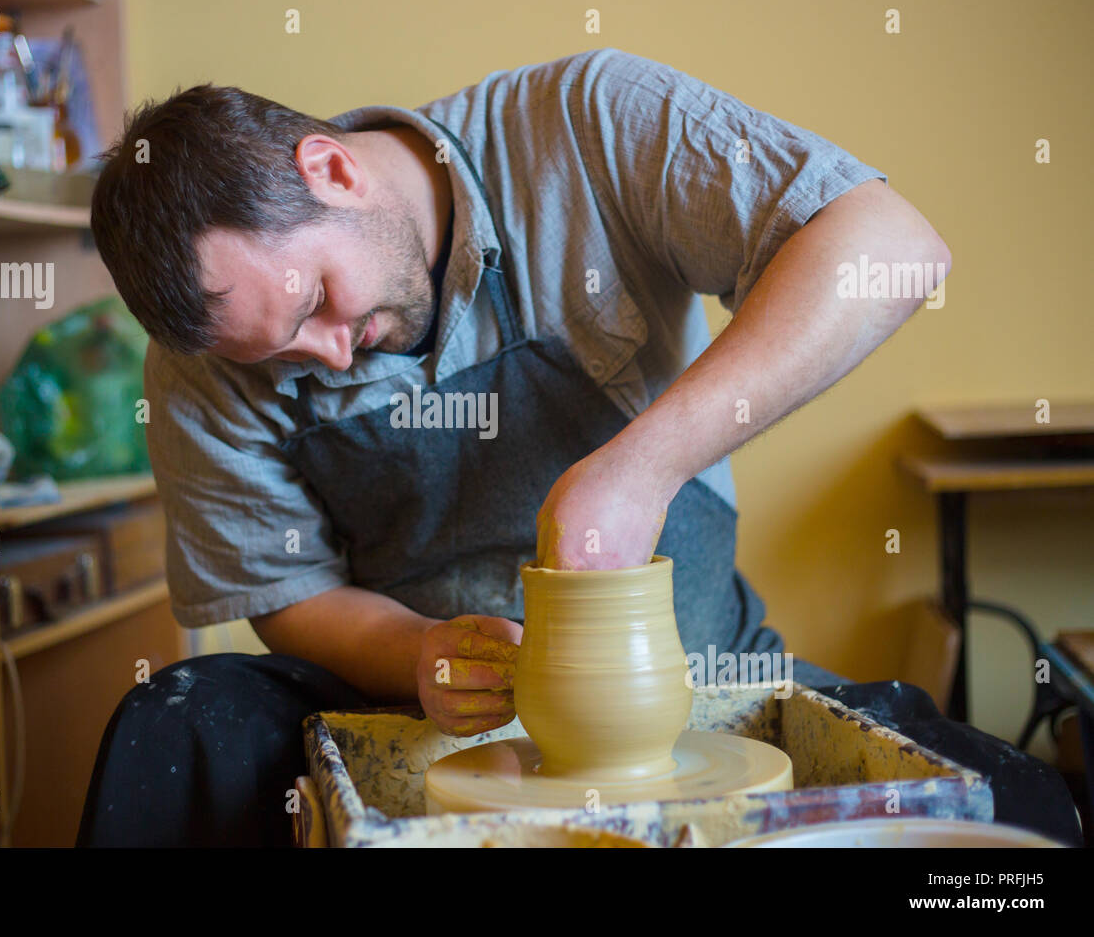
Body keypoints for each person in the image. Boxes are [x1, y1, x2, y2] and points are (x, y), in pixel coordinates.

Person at [76, 48, 951, 846]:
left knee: (994, 793)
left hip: (696, 680)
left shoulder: (583, 126)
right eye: (284, 355)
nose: (335, 355)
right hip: (421, 713)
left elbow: (891, 248)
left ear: (332, 170)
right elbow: (285, 589)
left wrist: (644, 465)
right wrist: (415, 654)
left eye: (317, 306)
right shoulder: (196, 371)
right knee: (178, 722)